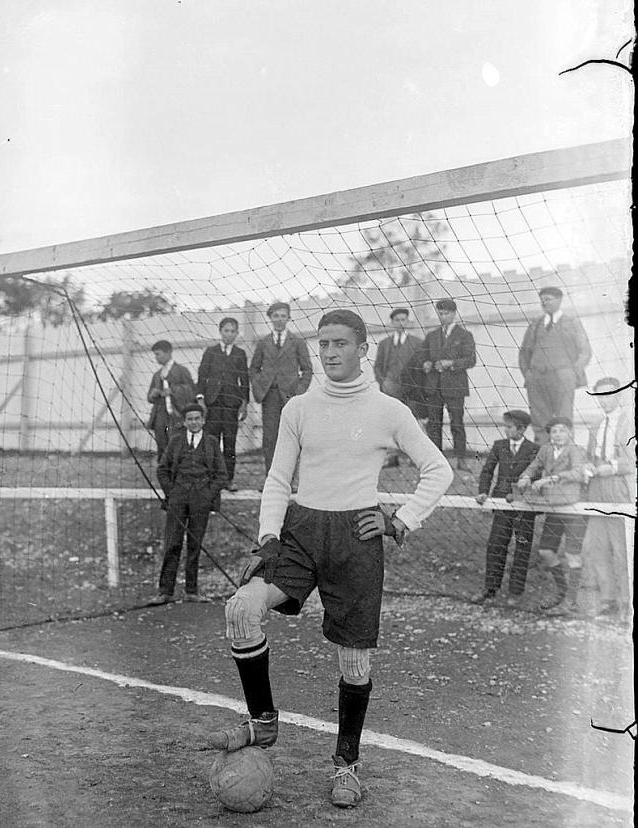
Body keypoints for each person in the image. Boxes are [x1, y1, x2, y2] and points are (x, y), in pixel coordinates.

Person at [206, 309, 453, 809]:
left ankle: (347, 765)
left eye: (341, 343)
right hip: (299, 532)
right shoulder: (299, 407)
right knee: (240, 610)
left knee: (354, 659)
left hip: (356, 537)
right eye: (323, 344)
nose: (331, 352)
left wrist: (400, 520)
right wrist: (269, 536)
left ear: (364, 348)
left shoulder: (388, 410)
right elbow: (278, 479)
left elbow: (438, 469)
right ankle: (263, 722)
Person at [148, 404, 228, 605]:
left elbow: (221, 475)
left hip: (200, 500)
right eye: (189, 419)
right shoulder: (175, 441)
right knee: (172, 543)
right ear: (184, 422)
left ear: (203, 420)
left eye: (197, 418)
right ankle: (165, 591)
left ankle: (191, 590)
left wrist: (207, 494)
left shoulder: (211, 443)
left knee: (195, 544)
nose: (193, 422)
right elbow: (162, 470)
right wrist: (172, 492)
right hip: (178, 498)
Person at [516, 417, 587, 615]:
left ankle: (571, 601)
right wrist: (525, 477)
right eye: (554, 431)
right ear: (549, 434)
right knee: (546, 551)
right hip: (554, 508)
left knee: (573, 554)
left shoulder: (576, 450)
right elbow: (534, 465)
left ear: (570, 432)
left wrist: (554, 477)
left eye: (562, 430)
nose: (558, 434)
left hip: (573, 510)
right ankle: (562, 590)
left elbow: (579, 472)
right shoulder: (546, 449)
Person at [471, 410, 539, 608]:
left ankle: (516, 592)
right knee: (496, 545)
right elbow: (487, 470)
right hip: (501, 504)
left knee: (522, 547)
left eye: (509, 427)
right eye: (505, 426)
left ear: (522, 428)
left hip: (525, 506)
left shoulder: (535, 449)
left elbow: (536, 475)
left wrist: (524, 489)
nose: (505, 430)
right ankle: (490, 589)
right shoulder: (499, 446)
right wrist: (483, 491)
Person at [582, 377, 635, 622]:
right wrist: (588, 468)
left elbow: (632, 460)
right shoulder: (596, 424)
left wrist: (612, 467)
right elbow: (590, 456)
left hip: (618, 489)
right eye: (599, 395)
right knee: (597, 548)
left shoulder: (630, 423)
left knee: (622, 549)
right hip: (596, 490)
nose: (604, 400)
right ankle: (608, 600)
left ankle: (627, 604)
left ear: (619, 395)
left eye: (608, 394)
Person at [518, 287, 592, 444]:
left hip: (563, 379)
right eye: (542, 300)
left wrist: (572, 373)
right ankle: (544, 457)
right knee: (539, 420)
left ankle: (565, 457)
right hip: (537, 380)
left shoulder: (572, 322)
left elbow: (585, 351)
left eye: (548, 299)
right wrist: (529, 375)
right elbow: (524, 353)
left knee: (563, 419)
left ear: (559, 300)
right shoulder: (535, 324)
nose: (544, 303)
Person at [249, 302, 313, 475]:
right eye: (276, 316)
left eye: (283, 315)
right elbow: (253, 369)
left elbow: (307, 369)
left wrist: (299, 391)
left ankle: (289, 479)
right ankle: (271, 478)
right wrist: (260, 385)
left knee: (291, 438)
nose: (279, 319)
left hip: (290, 397)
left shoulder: (297, 342)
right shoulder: (263, 342)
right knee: (270, 439)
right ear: (270, 318)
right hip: (269, 397)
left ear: (288, 318)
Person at [417, 298, 477, 471]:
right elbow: (421, 356)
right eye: (440, 313)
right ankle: (437, 461)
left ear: (454, 313)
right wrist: (426, 364)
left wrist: (450, 363)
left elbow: (471, 360)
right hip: (434, 386)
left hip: (455, 385)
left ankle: (461, 459)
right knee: (434, 424)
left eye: (446, 314)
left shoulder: (464, 335)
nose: (443, 317)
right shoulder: (432, 336)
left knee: (457, 423)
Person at [196, 318, 250, 492]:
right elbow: (202, 376)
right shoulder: (210, 352)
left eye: (233, 331)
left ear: (237, 333)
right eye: (226, 331)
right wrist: (200, 399)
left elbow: (244, 380)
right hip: (212, 404)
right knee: (211, 442)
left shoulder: (240, 353)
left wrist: (244, 403)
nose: (229, 334)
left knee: (230, 443)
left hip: (230, 405)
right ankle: (211, 477)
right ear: (220, 331)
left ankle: (228, 479)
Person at [373, 307, 426, 467]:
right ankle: (392, 456)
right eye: (397, 320)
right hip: (390, 389)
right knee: (390, 423)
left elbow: (421, 368)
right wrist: (383, 382)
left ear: (408, 321)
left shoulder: (417, 342)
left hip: (411, 390)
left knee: (412, 423)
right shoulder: (384, 344)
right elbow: (378, 367)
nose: (401, 323)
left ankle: (413, 457)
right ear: (392, 323)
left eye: (403, 319)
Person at [147, 340, 198, 460]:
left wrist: (173, 390)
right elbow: (149, 398)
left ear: (169, 352)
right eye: (155, 355)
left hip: (176, 415)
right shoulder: (157, 374)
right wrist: (153, 394)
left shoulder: (181, 371)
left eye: (158, 354)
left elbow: (191, 391)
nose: (156, 358)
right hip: (160, 415)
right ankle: (164, 473)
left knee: (176, 445)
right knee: (161, 445)